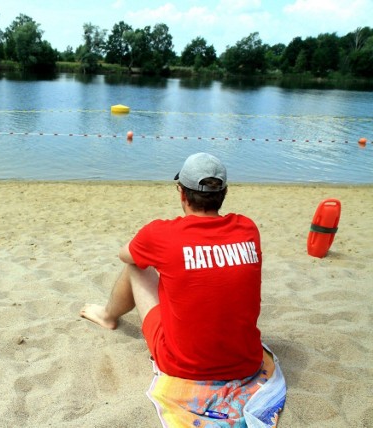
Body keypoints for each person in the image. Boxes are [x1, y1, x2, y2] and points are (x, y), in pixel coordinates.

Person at [80, 153, 286, 427]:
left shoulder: (161, 233)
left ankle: (107, 315)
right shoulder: (247, 228)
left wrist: (162, 257)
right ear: (223, 193)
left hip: (183, 365)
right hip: (246, 362)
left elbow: (125, 255)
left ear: (182, 194)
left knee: (137, 267)